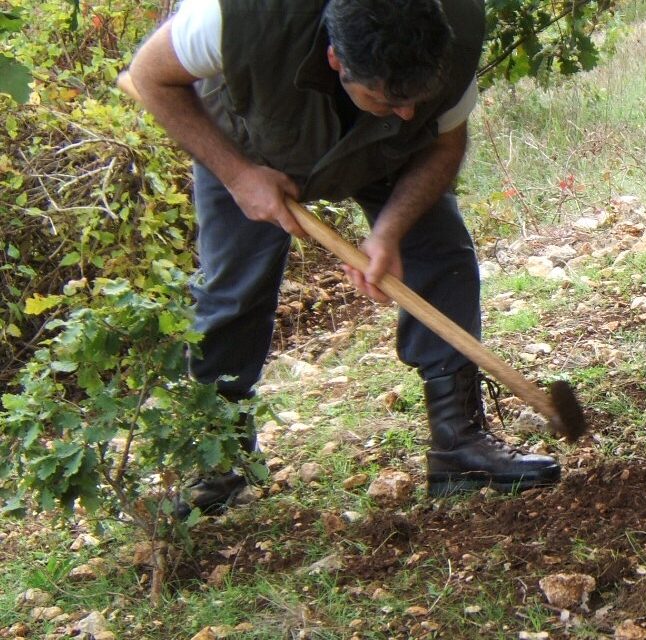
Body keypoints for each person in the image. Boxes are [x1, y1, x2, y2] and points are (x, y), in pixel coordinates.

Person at [126, 0, 561, 516]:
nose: (406, 111)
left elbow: (444, 142)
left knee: (444, 255)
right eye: (387, 97)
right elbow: (148, 77)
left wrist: (389, 232)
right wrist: (240, 177)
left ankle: (459, 444)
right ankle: (215, 461)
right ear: (336, 59)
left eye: (414, 100)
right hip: (249, 140)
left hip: (384, 152)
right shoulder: (235, 16)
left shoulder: (455, 24)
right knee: (232, 294)